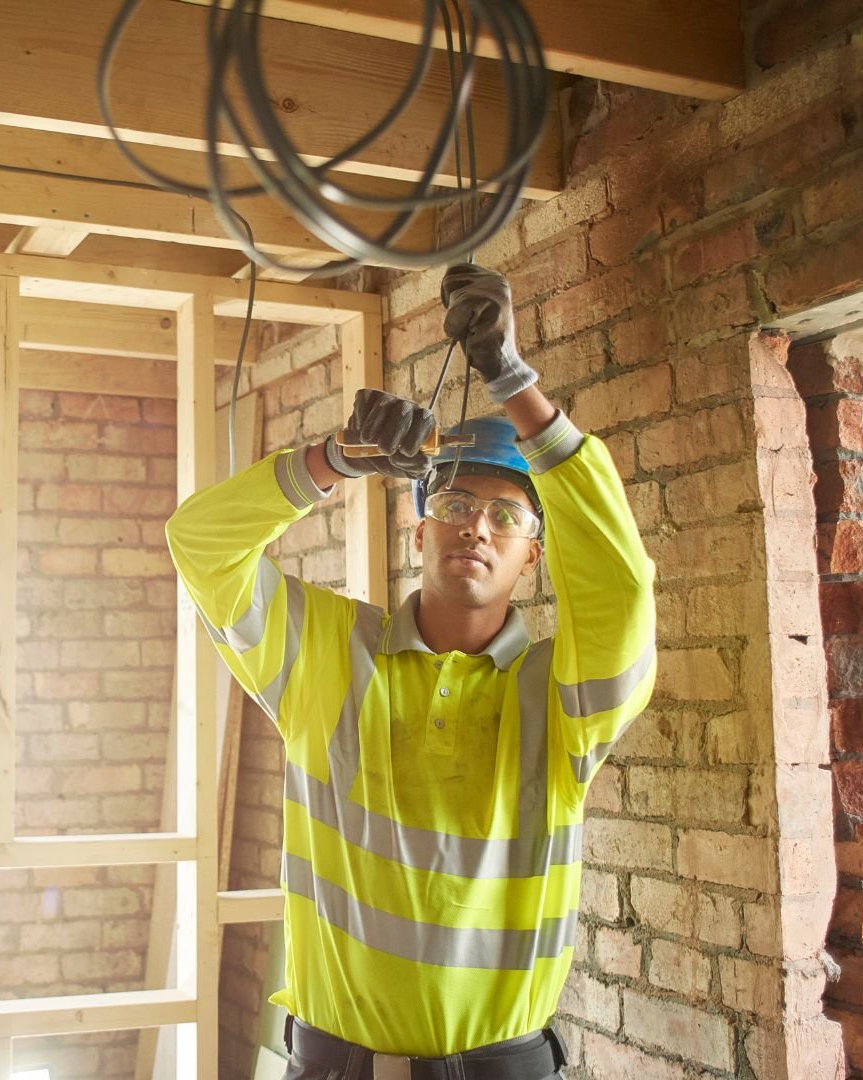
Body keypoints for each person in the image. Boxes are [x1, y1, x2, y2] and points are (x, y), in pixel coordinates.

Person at [166, 265, 656, 1080]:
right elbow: (200, 545)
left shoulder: (561, 698)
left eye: (508, 517)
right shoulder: (325, 653)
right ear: (419, 527)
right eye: (456, 506)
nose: (478, 529)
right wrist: (333, 459)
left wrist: (513, 379)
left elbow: (620, 585)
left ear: (535, 555)